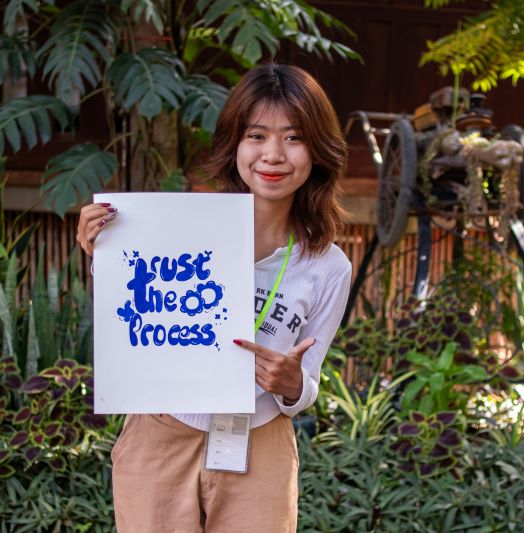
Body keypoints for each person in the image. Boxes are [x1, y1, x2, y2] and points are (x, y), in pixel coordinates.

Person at [76, 63, 352, 533]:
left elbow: (308, 383)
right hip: (161, 433)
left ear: (317, 150)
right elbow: (136, 313)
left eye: (293, 138)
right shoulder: (174, 229)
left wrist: (289, 383)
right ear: (235, 144)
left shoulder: (328, 266)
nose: (273, 155)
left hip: (259, 443)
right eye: (257, 135)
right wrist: (100, 251)